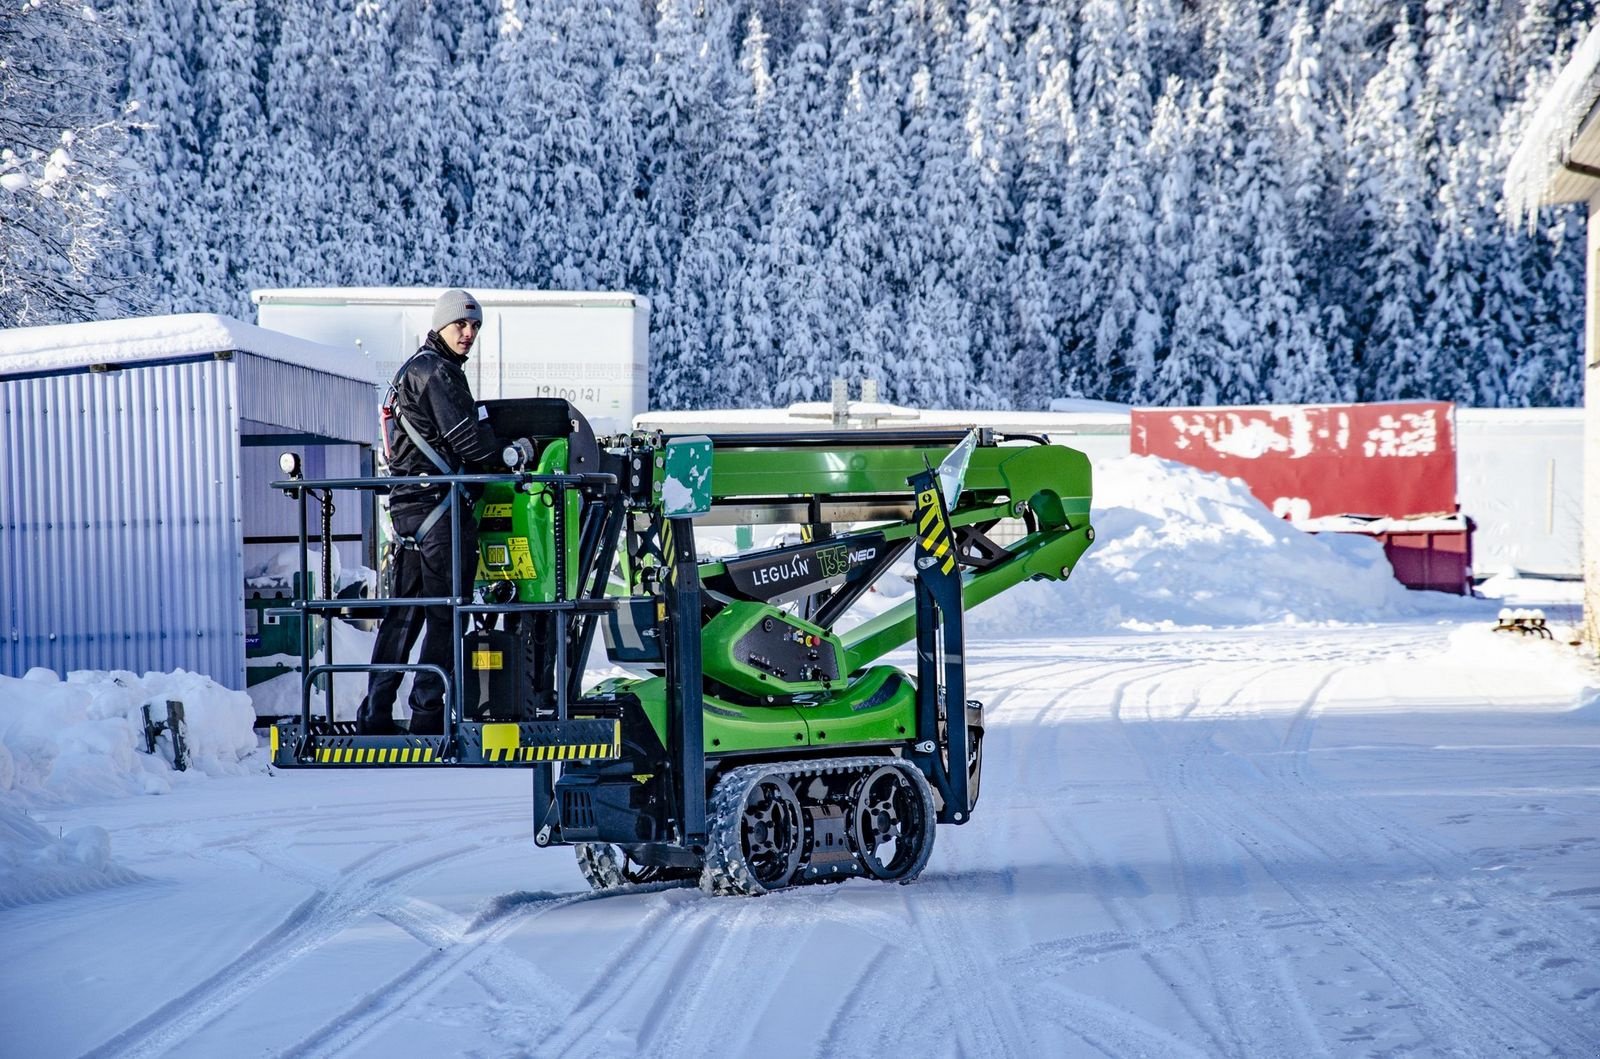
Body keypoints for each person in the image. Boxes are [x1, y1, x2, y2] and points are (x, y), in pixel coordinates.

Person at [357, 289, 500, 735]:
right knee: (446, 612)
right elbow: (468, 442)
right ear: (441, 325)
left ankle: (375, 711)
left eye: (475, 326)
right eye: (461, 324)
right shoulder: (437, 372)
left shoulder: (410, 371)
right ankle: (427, 711)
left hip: (408, 511)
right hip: (440, 511)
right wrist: (509, 456)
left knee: (404, 614)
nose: (469, 333)